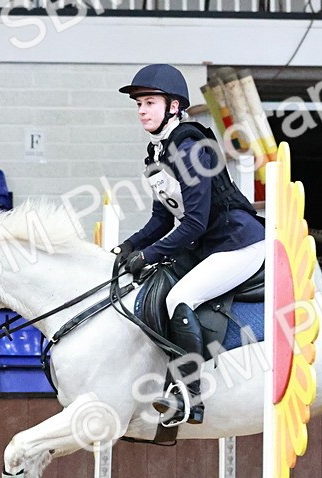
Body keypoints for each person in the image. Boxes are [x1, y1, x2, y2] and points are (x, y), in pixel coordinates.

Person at [113, 64, 264, 426]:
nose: (142, 111)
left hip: (237, 243)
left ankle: (190, 395)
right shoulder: (157, 153)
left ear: (174, 107)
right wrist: (128, 247)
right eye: (139, 105)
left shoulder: (191, 146)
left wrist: (148, 255)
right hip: (208, 244)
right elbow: (163, 220)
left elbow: (194, 223)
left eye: (150, 102)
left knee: (178, 298)